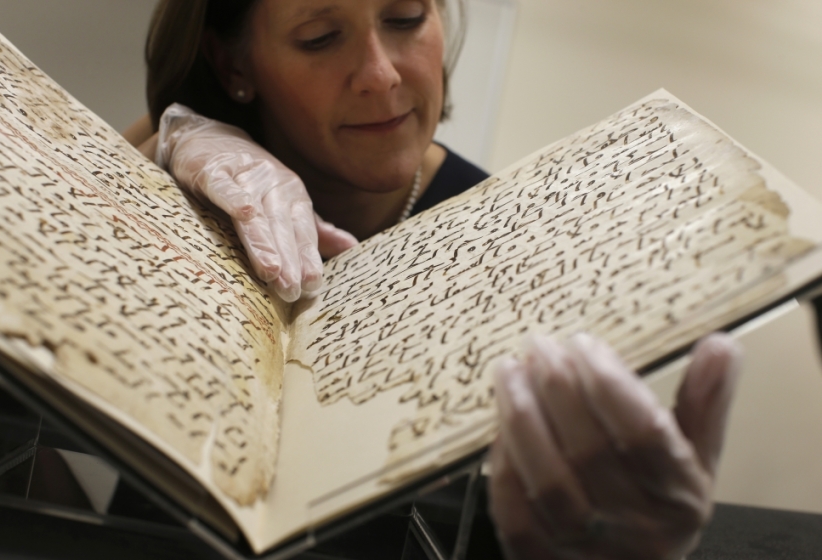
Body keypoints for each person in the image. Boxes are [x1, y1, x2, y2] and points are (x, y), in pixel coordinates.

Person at [124, 1, 742, 558]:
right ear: (232, 63)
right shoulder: (193, 174)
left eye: (405, 19)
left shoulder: (509, 237)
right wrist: (170, 138)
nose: (382, 74)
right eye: (320, 37)